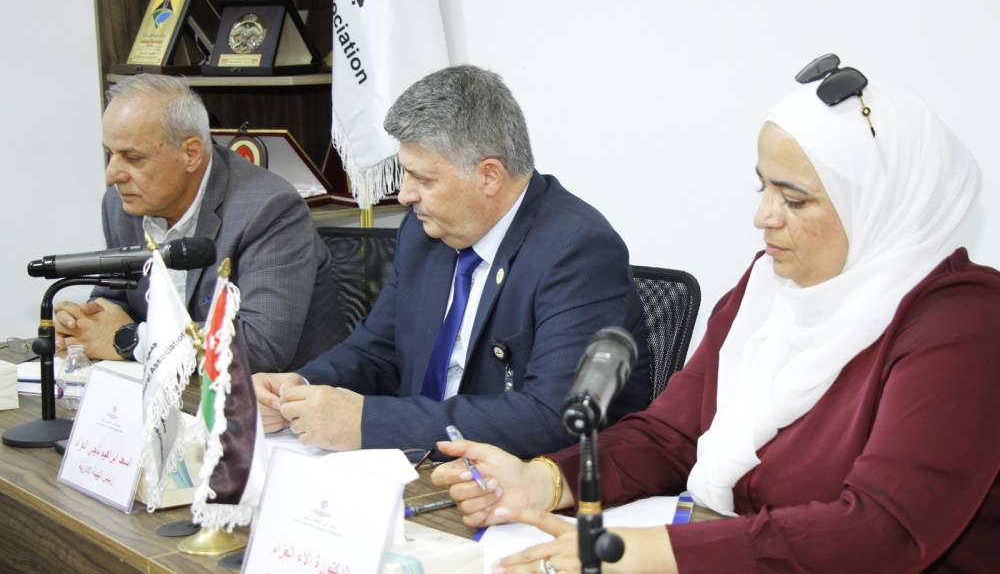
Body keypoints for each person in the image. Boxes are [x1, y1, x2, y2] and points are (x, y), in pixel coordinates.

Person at [432, 57, 1000, 573]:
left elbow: (881, 534)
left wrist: (651, 553)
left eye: (794, 199)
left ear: (879, 205)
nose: (764, 217)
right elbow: (672, 434)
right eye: (763, 188)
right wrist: (542, 480)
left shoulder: (964, 325)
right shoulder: (771, 283)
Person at [253, 65, 651, 457]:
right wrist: (298, 388)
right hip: (422, 467)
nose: (405, 195)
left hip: (526, 480)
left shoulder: (577, 250)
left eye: (423, 179)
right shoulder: (424, 233)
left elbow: (550, 417)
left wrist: (367, 422)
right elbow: (377, 350)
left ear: (489, 176)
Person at [54, 74, 346, 373]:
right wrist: (83, 324)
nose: (112, 175)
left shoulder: (268, 209)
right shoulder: (120, 204)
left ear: (190, 154)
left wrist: (130, 340)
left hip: (274, 395)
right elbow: (115, 299)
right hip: (169, 386)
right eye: (110, 154)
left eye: (133, 157)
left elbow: (260, 347)